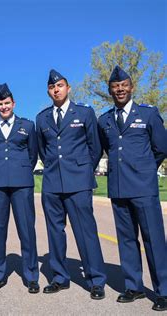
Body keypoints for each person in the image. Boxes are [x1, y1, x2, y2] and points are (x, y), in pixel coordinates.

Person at [98, 65, 167, 312]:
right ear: (110, 90)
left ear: (131, 87)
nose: (120, 89)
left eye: (124, 85)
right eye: (115, 86)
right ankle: (134, 287)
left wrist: (146, 169)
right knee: (126, 241)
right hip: (118, 189)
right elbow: (107, 147)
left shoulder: (148, 114)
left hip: (143, 189)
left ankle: (163, 291)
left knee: (154, 240)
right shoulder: (104, 119)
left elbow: (161, 147)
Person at [35, 69, 106, 300]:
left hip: (78, 182)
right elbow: (43, 151)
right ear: (48, 91)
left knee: (86, 232)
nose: (56, 90)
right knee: (55, 232)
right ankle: (59, 277)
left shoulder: (84, 112)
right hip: (53, 183)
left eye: (60, 86)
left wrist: (82, 169)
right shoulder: (42, 118)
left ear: (68, 88)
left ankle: (96, 280)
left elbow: (95, 147)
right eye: (52, 87)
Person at [0, 83, 39, 294]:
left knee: (27, 230)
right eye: (0, 104)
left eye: (7, 103)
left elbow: (33, 154)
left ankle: (32, 276)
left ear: (13, 103)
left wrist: (21, 170)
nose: (4, 107)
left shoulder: (28, 125)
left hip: (22, 183)